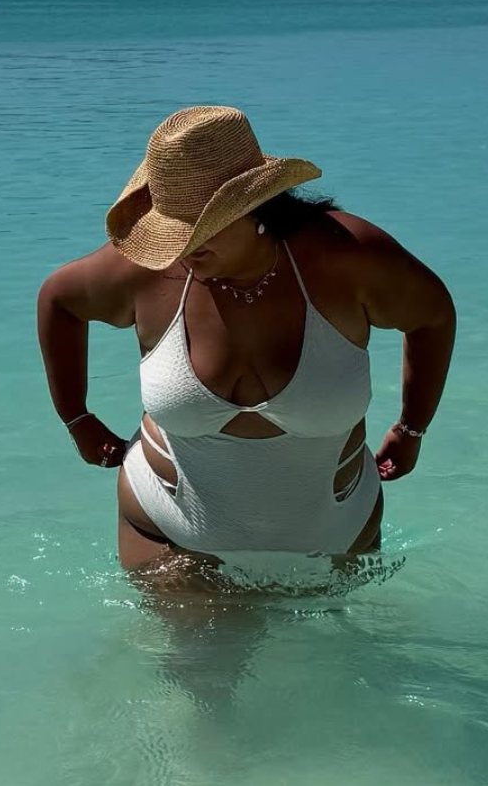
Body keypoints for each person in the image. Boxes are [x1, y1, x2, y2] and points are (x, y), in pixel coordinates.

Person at [37, 106, 456, 578]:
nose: (180, 248)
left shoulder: (347, 258)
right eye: (173, 231)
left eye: (199, 229)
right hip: (169, 532)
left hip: (337, 531)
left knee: (339, 655)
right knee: (196, 654)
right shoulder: (146, 272)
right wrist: (76, 417)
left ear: (254, 207)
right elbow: (60, 300)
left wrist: (412, 428)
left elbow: (433, 317)